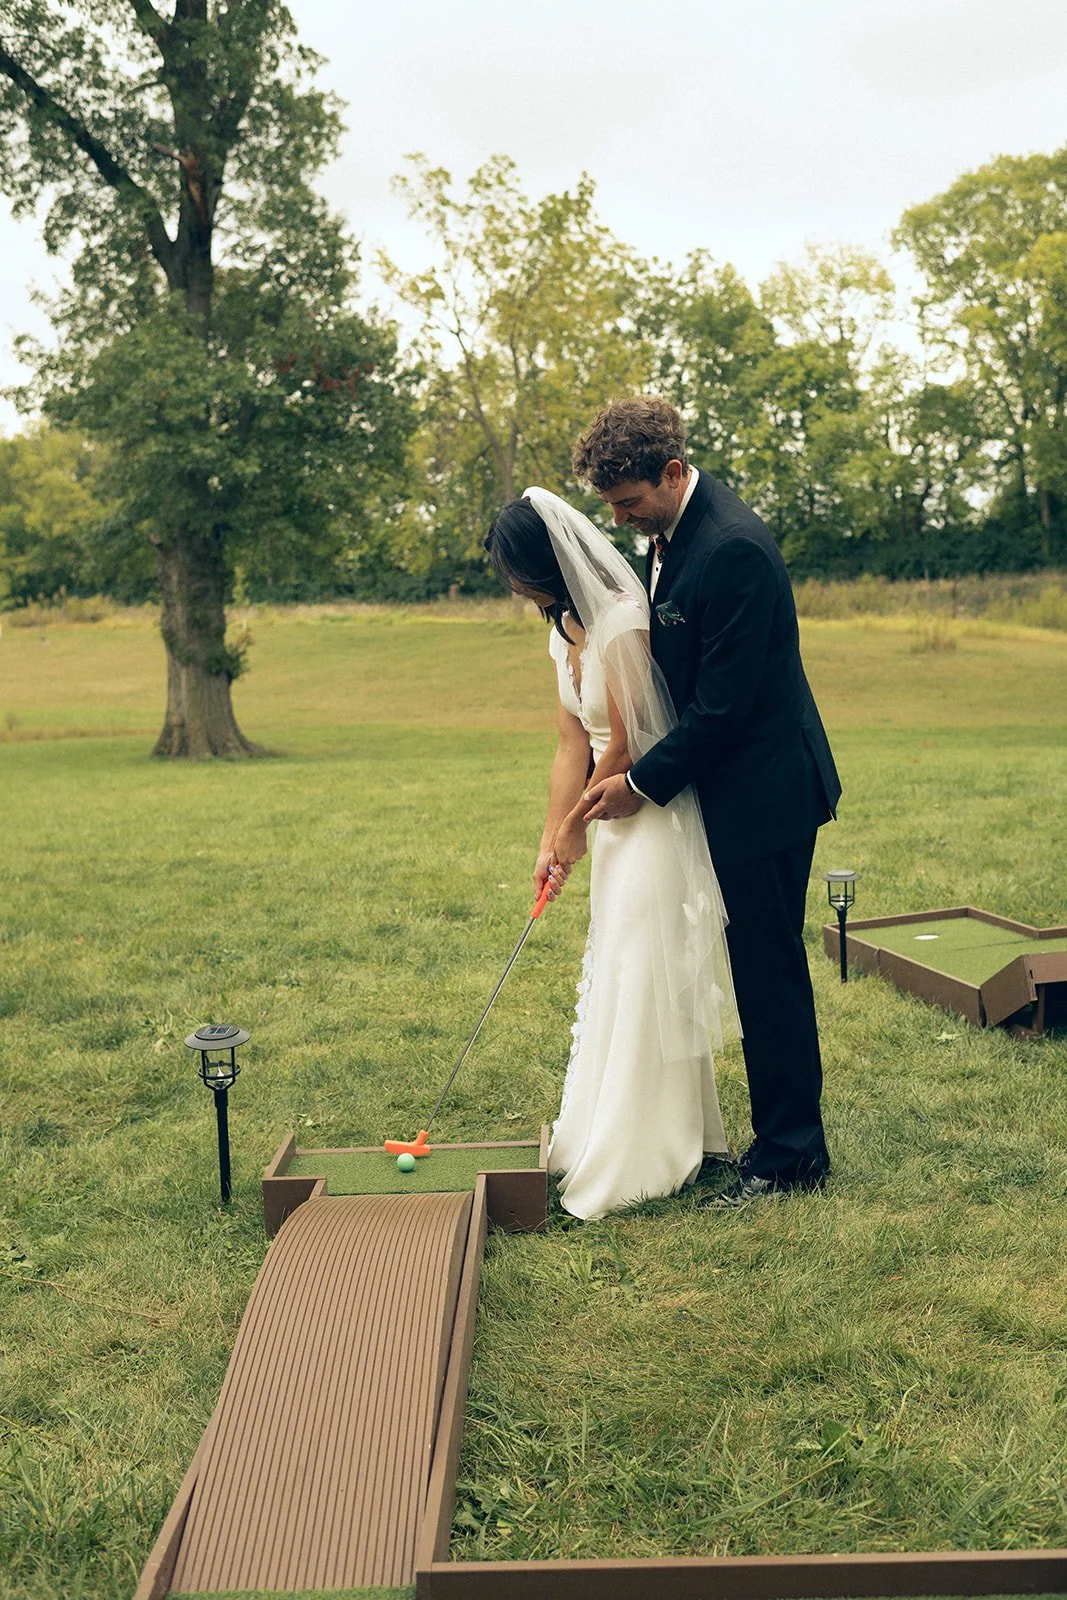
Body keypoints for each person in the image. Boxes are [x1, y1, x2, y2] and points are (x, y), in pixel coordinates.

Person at [574, 396, 841, 1207]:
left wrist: (638, 785)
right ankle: (767, 1139)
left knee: (767, 971)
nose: (621, 520)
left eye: (629, 502)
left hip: (765, 790)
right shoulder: (670, 534)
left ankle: (791, 1156)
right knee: (752, 962)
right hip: (724, 785)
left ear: (672, 472)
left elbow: (721, 710)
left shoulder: (733, 550)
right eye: (611, 507)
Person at [485, 489, 740, 1221]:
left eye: (516, 572)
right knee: (617, 967)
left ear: (546, 562)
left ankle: (645, 1154)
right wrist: (550, 837)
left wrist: (577, 828)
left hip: (645, 815)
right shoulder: (563, 631)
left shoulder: (623, 621)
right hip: (605, 816)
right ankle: (614, 1129)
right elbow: (572, 743)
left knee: (638, 967)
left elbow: (626, 745)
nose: (513, 587)